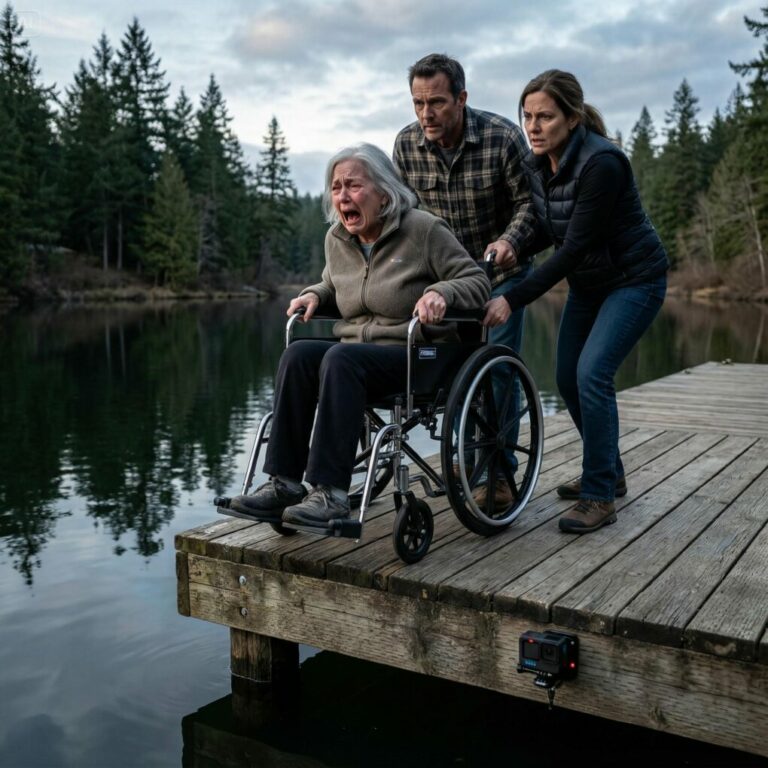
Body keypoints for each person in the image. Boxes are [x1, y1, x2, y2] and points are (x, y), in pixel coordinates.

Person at [230, 143, 490, 529]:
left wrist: (442, 293)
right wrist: (315, 295)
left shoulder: (423, 230)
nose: (342, 196)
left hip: (417, 356)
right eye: (336, 188)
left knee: (340, 358)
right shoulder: (337, 239)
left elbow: (477, 281)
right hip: (358, 356)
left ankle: (331, 493)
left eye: (353, 185)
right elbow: (333, 285)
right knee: (298, 355)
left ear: (384, 192)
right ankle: (284, 484)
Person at [483, 69, 669, 534]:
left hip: (634, 280)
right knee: (566, 376)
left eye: (545, 116)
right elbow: (552, 226)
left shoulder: (602, 163)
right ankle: (611, 470)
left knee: (593, 373)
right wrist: (512, 246)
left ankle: (599, 493)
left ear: (572, 117)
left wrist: (514, 296)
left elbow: (574, 247)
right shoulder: (538, 163)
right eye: (526, 116)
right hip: (591, 284)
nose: (533, 126)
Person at [393, 53, 536, 505]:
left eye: (436, 102)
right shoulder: (406, 146)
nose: (425, 114)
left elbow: (531, 206)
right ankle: (463, 455)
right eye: (417, 103)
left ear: (461, 98)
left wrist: (510, 240)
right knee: (450, 373)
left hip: (502, 275)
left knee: (495, 372)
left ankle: (497, 472)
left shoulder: (503, 138)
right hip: (448, 282)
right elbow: (403, 214)